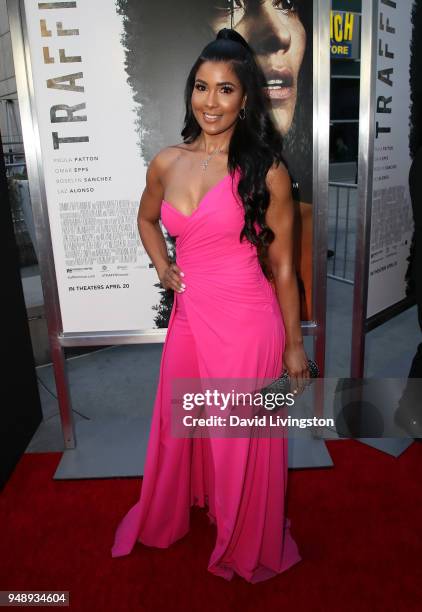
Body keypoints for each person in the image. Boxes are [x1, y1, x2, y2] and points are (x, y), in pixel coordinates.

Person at [111, 28, 309, 583]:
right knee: (186, 425)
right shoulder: (166, 161)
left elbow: (287, 269)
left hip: (248, 323)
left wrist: (295, 346)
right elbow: (147, 219)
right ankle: (193, 503)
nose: (210, 102)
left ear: (246, 99)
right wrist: (162, 266)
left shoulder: (266, 171)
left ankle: (243, 530)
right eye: (202, 87)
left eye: (226, 90)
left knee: (238, 438)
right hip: (190, 320)